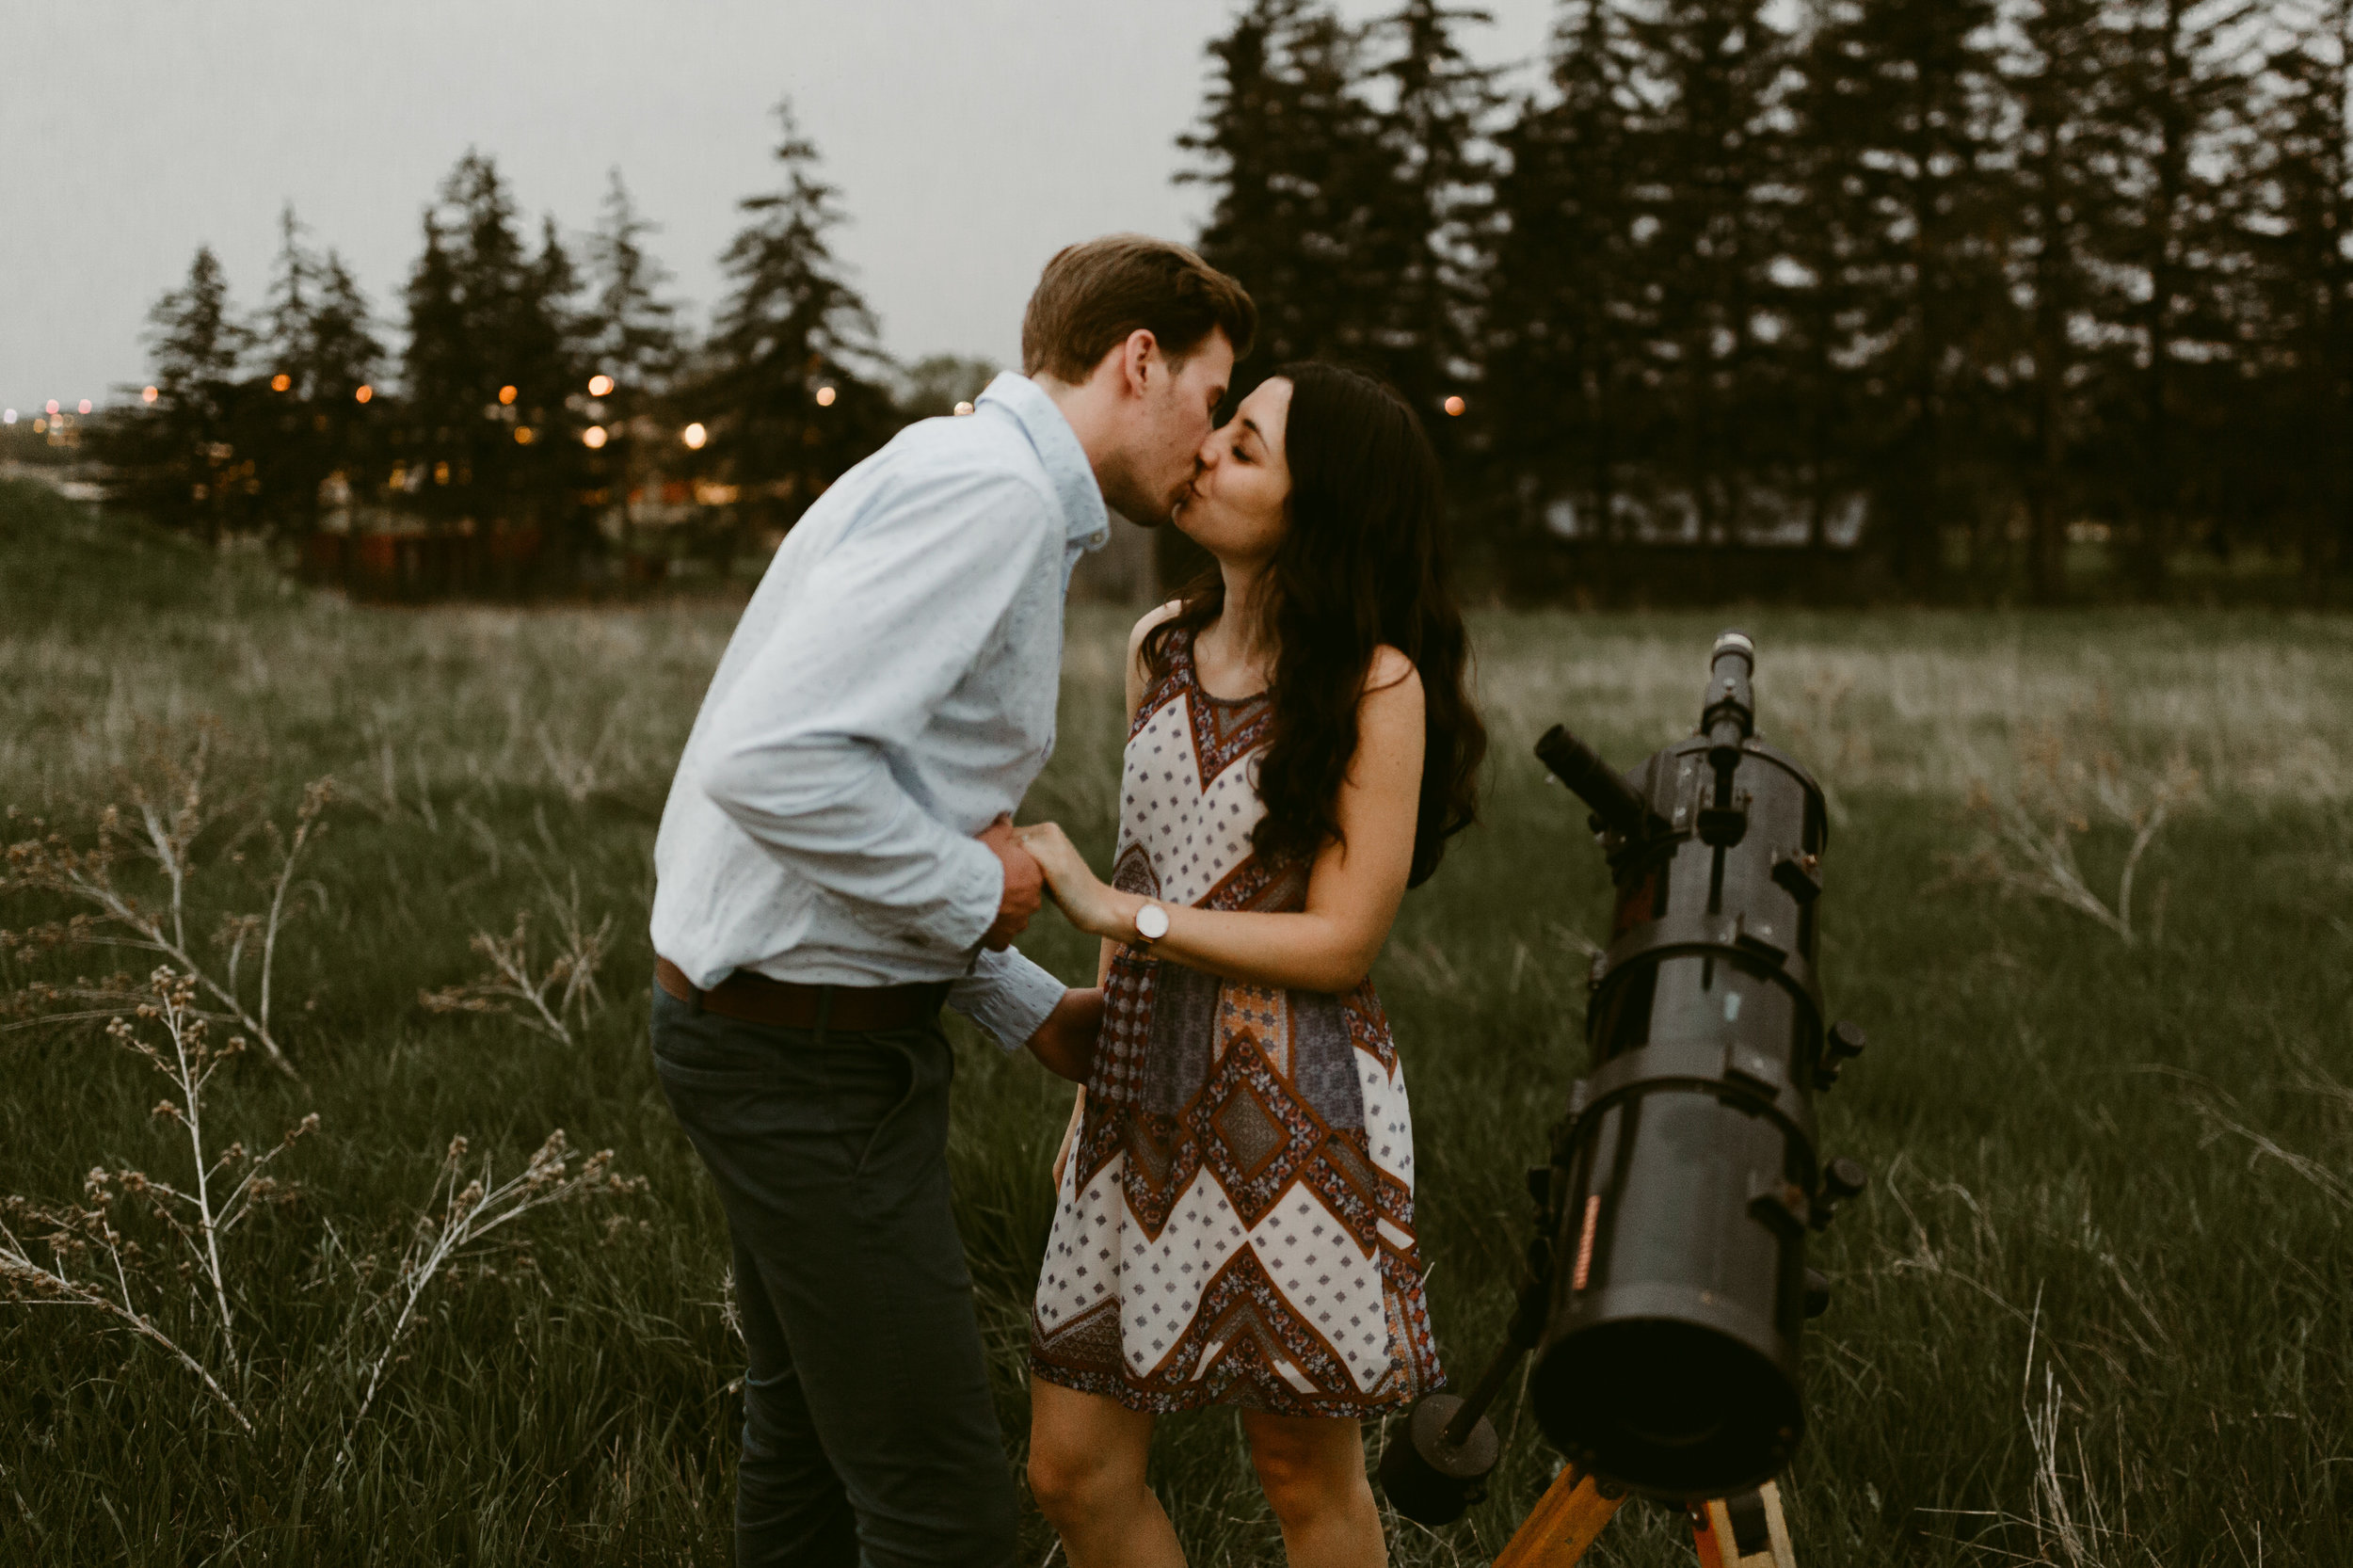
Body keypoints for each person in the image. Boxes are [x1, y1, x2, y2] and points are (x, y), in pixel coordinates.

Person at [646, 235, 1255, 1568]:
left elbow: (876, 785)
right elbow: (773, 763)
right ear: (1138, 360)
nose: (1209, 448)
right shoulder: (991, 500)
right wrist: (984, 884)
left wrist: (1022, 1001)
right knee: (945, 1515)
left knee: (801, 1450)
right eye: (1213, 402)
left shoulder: (956, 465)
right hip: (797, 1060)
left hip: (781, 1028)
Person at [1015, 362, 1488, 1568]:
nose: (1206, 450)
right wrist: (1092, 1094)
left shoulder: (1376, 683)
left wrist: (1128, 917)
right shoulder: (1158, 645)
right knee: (1072, 1469)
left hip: (1295, 1108)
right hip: (1141, 1099)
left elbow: (1341, 943)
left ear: (1314, 505)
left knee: (1296, 1472)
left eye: (1247, 445)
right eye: (1223, 427)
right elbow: (1142, 855)